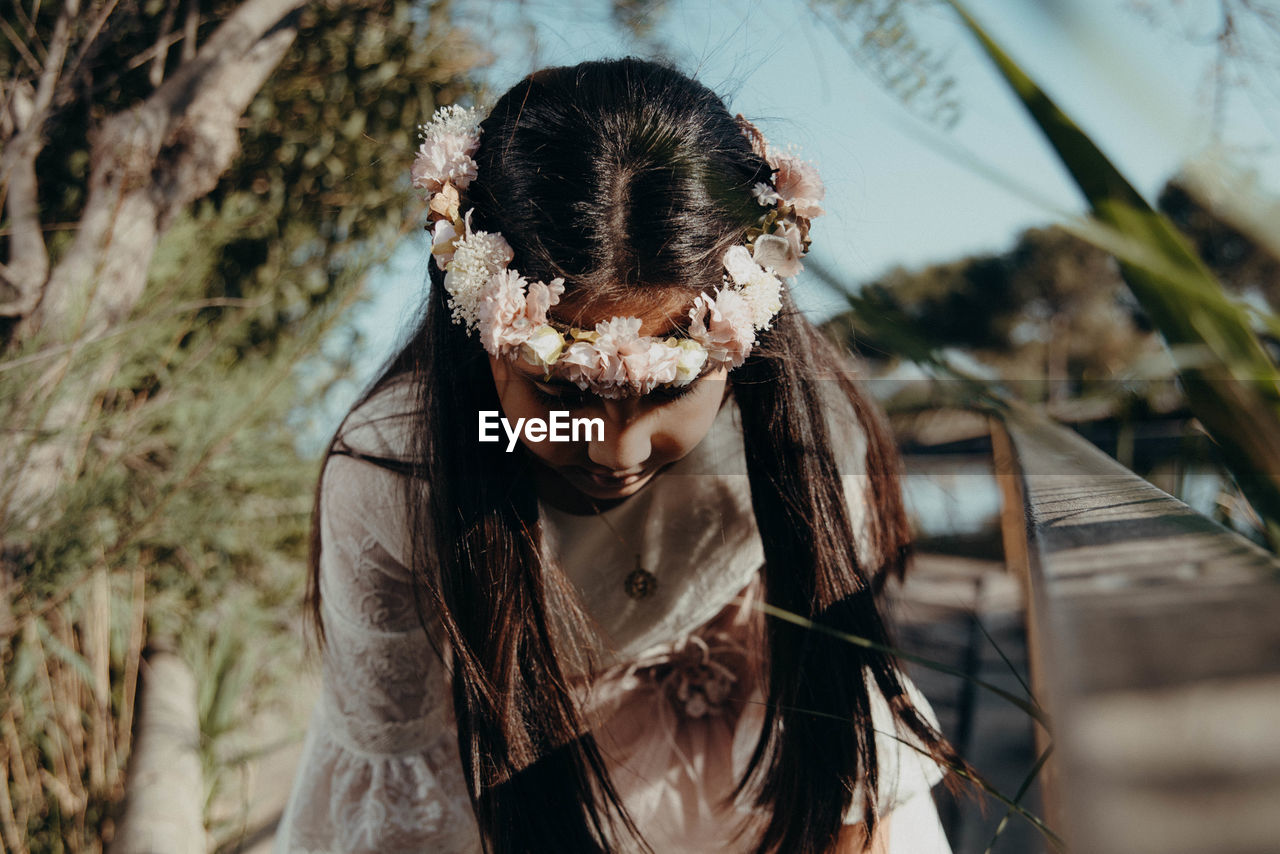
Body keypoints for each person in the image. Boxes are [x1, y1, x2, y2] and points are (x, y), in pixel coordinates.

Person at [274, 58, 964, 854]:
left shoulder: (806, 431)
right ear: (483, 333)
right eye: (562, 398)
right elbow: (397, 772)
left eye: (668, 396)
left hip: (752, 775)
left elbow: (836, 718)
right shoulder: (392, 481)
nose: (615, 450)